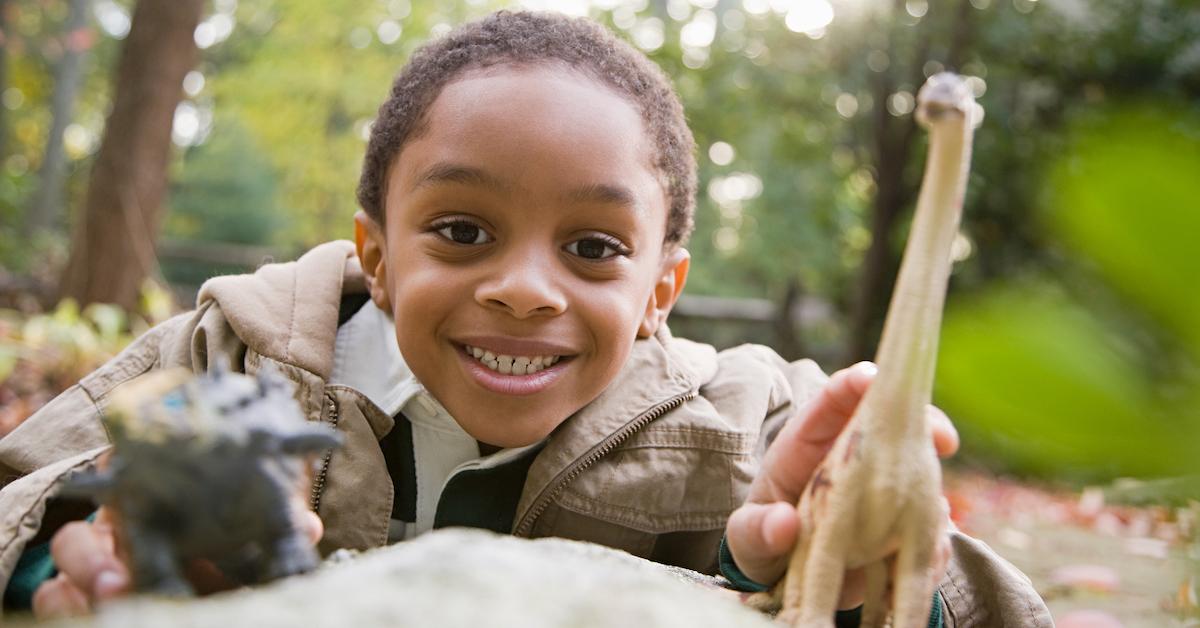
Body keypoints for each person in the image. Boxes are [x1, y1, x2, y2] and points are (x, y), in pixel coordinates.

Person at [0, 10, 1051, 626]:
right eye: (461, 229)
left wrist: (826, 560)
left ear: (661, 292)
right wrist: (80, 547)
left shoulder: (754, 421)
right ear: (376, 250)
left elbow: (975, 603)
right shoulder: (223, 358)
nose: (526, 289)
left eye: (594, 249)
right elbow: (25, 501)